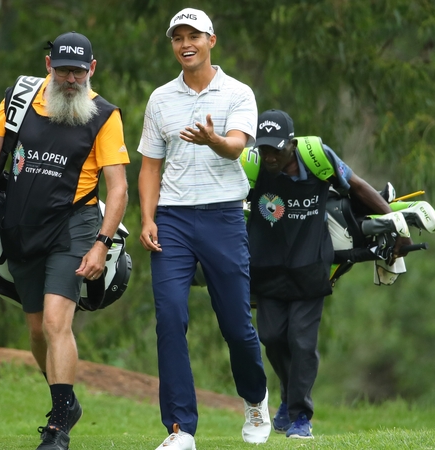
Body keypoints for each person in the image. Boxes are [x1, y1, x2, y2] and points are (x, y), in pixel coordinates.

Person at [0, 31, 129, 450]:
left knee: (55, 322)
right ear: (49, 66)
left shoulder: (104, 115)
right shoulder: (19, 99)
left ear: (92, 70)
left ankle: (58, 427)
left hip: (75, 227)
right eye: (63, 70)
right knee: (35, 331)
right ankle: (66, 401)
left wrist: (101, 243)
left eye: (78, 72)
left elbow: (118, 188)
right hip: (22, 227)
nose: (70, 79)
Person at [137, 8, 271, 449]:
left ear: (212, 40)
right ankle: (180, 430)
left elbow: (235, 147)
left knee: (235, 324)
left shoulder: (238, 92)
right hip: (172, 220)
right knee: (170, 318)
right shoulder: (160, 99)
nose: (185, 43)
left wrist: (214, 141)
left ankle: (255, 398)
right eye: (177, 37)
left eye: (193, 35)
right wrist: (148, 217)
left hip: (223, 216)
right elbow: (150, 166)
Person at [246, 109, 411, 439]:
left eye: (275, 149)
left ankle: (300, 418)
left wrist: (397, 224)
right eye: (264, 149)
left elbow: (358, 187)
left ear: (291, 145)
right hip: (267, 265)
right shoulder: (250, 165)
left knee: (302, 342)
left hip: (310, 264)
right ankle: (289, 396)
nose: (269, 156)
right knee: (272, 338)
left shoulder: (317, 156)